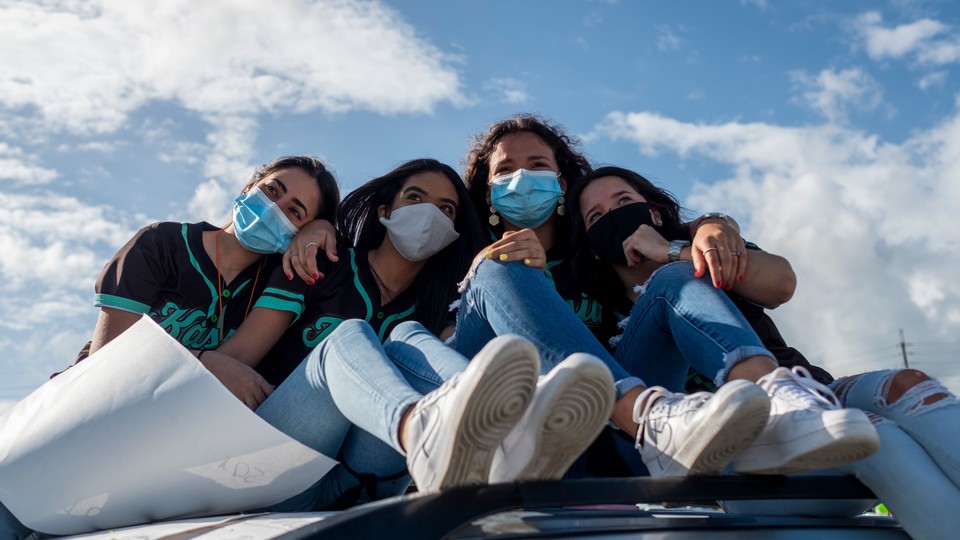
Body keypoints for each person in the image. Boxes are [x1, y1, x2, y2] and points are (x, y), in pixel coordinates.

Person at [446, 113, 860, 479]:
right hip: (518, 430)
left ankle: (774, 400)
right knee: (499, 267)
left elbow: (667, 243)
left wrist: (706, 226)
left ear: (561, 182)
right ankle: (647, 416)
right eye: (505, 170)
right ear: (487, 191)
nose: (521, 178)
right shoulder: (462, 260)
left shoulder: (592, 257)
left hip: (615, 427)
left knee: (670, 279)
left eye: (537, 165)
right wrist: (492, 266)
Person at [569, 165, 960, 539]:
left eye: (623, 202)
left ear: (653, 212)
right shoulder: (598, 313)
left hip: (809, 397)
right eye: (596, 217)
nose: (614, 217)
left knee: (908, 385)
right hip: (741, 453)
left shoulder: (706, 249)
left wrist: (673, 249)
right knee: (877, 434)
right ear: (593, 246)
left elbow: (781, 283)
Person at [210, 159, 618, 510]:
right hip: (279, 470)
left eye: (446, 209)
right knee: (350, 335)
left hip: (364, 487)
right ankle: (422, 430)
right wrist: (210, 362)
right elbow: (238, 355)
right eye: (416, 198)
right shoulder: (323, 261)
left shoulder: (436, 305)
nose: (430, 215)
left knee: (409, 334)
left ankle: (518, 435)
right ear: (386, 209)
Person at [0, 156, 341, 540]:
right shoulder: (162, 243)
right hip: (74, 429)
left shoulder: (280, 281)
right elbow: (106, 364)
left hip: (159, 461)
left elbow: (235, 368)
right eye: (271, 190)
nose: (275, 209)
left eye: (294, 212)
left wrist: (322, 227)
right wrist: (203, 362)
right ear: (248, 189)